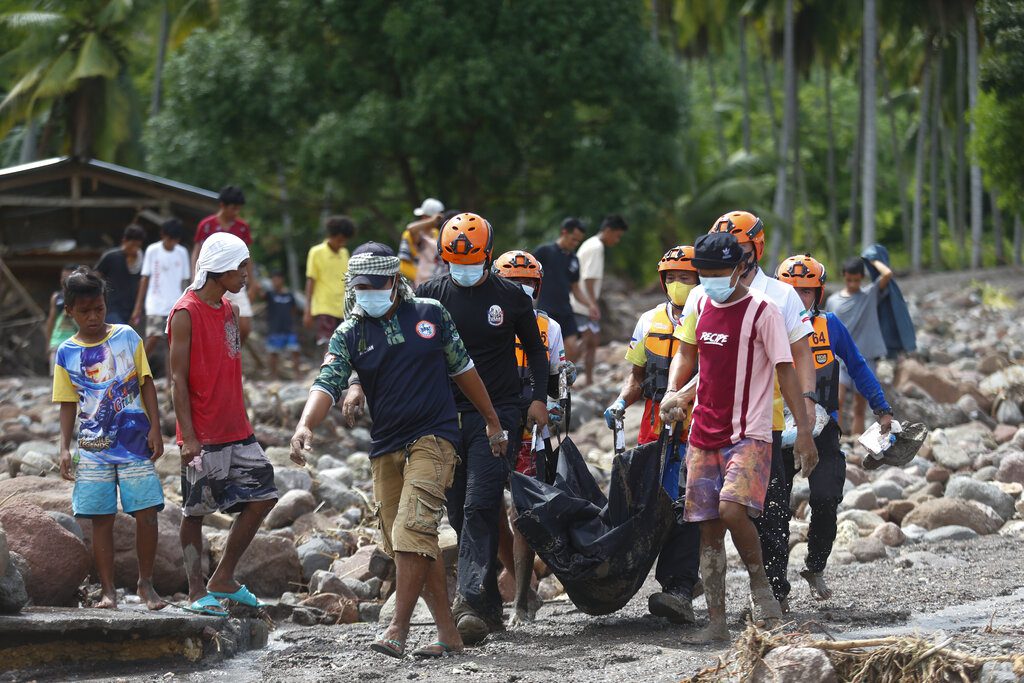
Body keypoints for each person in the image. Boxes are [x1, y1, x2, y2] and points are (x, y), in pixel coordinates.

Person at [290, 243, 506, 659]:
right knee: (409, 542)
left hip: (436, 437)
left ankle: (397, 628)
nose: (366, 292)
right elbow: (327, 380)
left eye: (375, 285)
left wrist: (492, 420)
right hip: (385, 445)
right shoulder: (351, 331)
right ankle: (448, 633)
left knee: (412, 528)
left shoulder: (430, 314)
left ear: (393, 281)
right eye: (359, 286)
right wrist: (305, 424)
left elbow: (464, 370)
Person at [349, 212, 548, 644]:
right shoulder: (430, 297)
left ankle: (471, 601)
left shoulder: (511, 297)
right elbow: (386, 341)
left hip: (498, 414)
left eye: (473, 260)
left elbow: (535, 349)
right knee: (458, 511)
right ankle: (490, 608)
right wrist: (355, 383)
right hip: (442, 418)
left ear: (488, 255)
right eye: (455, 260)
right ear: (442, 257)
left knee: (481, 501)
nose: (465, 268)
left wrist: (537, 399)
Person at [658, 233, 817, 642]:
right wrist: (677, 395)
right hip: (703, 433)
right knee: (707, 528)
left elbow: (785, 370)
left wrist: (804, 433)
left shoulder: (763, 311)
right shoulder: (700, 305)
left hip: (750, 432)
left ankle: (762, 588)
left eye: (716, 273)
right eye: (703, 274)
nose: (709, 281)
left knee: (731, 511)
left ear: (738, 268)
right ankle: (716, 622)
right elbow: (700, 365)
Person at [169, 232, 286, 616]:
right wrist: (188, 438)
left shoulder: (230, 311)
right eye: (241, 268)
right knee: (195, 512)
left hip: (237, 428)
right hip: (203, 434)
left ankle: (223, 577)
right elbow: (177, 381)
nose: (246, 276)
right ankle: (194, 591)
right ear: (220, 270)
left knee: (264, 494)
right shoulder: (184, 313)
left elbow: (229, 363)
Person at [777, 254, 894, 601]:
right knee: (773, 508)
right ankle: (775, 587)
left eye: (807, 292)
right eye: (791, 292)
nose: (799, 299)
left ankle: (815, 565)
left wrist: (882, 408)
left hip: (823, 425)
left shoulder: (830, 326)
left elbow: (857, 366)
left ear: (819, 293)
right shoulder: (765, 327)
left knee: (827, 498)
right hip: (775, 428)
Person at [52, 267, 166, 611]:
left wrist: (156, 428)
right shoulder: (66, 352)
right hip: (93, 448)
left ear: (105, 304)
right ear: (69, 311)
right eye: (84, 311)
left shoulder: (127, 336)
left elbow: (146, 382)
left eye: (98, 309)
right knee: (101, 519)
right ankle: (108, 591)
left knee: (147, 512)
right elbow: (68, 403)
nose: (93, 317)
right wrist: (64, 448)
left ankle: (146, 585)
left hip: (134, 443)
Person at [604, 245, 701, 624]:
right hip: (653, 432)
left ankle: (678, 586)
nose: (678, 285)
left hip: (695, 430)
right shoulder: (648, 321)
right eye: (672, 278)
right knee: (648, 504)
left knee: (687, 505)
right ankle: (646, 577)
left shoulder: (710, 319)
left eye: (686, 278)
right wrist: (619, 402)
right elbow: (637, 377)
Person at [490, 249, 572, 626]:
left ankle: (523, 598)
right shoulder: (483, 324)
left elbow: (557, 383)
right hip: (488, 429)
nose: (520, 290)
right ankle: (506, 584)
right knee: (484, 510)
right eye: (512, 284)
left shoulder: (548, 329)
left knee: (522, 513)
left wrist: (553, 408)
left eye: (527, 285)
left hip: (529, 437)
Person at [826, 255, 893, 434]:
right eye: (849, 280)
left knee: (859, 406)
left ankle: (856, 441)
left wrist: (872, 259)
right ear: (843, 276)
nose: (853, 284)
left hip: (865, 358)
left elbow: (887, 274)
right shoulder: (833, 301)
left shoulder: (869, 295)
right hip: (840, 359)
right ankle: (835, 440)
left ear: (861, 278)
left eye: (857, 280)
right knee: (836, 402)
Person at [192, 185, 261, 344]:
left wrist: (253, 283)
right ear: (222, 205)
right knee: (208, 322)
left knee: (244, 326)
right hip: (212, 281)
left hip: (235, 280)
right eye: (233, 208)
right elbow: (197, 252)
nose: (236, 212)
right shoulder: (207, 225)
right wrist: (195, 277)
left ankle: (230, 354)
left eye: (239, 209)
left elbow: (247, 256)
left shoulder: (242, 227)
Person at [569, 215, 628, 385]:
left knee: (592, 340)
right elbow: (588, 278)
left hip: (582, 302)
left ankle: (587, 379)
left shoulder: (591, 244)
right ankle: (564, 375)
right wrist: (592, 304)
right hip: (582, 304)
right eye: (617, 236)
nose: (617, 240)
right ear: (608, 230)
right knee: (587, 340)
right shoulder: (596, 247)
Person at [131, 218, 191, 360]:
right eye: (170, 239)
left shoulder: (182, 252)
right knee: (153, 337)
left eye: (175, 240)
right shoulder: (153, 250)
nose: (172, 243)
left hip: (176, 304)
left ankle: (171, 381)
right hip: (155, 304)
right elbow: (145, 278)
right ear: (163, 235)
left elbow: (185, 281)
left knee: (172, 345)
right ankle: (136, 371)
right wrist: (138, 307)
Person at [533, 218, 591, 360]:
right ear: (564, 232)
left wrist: (591, 305)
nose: (575, 244)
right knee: (546, 349)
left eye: (579, 241)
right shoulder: (544, 252)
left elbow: (576, 288)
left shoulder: (574, 260)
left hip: (566, 310)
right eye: (573, 239)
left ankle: (565, 380)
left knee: (572, 347)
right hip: (546, 310)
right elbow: (530, 276)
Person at [303, 215, 354, 346]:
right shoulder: (316, 252)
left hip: (342, 308)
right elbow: (311, 280)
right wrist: (307, 309)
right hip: (324, 306)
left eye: (344, 241)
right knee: (329, 343)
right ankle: (328, 366)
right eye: (339, 240)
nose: (341, 244)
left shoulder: (344, 253)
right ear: (332, 235)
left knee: (343, 344)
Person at [95, 224, 146, 325]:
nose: (135, 249)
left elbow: (142, 284)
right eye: (132, 245)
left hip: (131, 309)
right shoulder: (111, 257)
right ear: (124, 241)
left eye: (138, 246)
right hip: (111, 308)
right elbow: (95, 276)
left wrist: (137, 309)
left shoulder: (142, 260)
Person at [398, 198, 445, 286]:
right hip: (419, 280)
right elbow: (404, 262)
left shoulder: (435, 233)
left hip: (435, 278)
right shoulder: (411, 233)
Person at [265, 271, 302, 378]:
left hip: (289, 328)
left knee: (295, 351)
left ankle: (298, 374)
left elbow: (294, 309)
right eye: (273, 280)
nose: (275, 282)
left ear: (282, 280)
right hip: (274, 329)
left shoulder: (289, 295)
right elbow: (260, 294)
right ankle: (273, 375)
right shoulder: (270, 294)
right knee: (273, 353)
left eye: (277, 279)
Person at [45, 264, 78, 374]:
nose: (65, 281)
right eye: (63, 277)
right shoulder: (57, 297)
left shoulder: (82, 298)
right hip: (57, 343)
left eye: (68, 278)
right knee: (56, 377)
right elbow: (51, 320)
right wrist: (49, 343)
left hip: (76, 343)